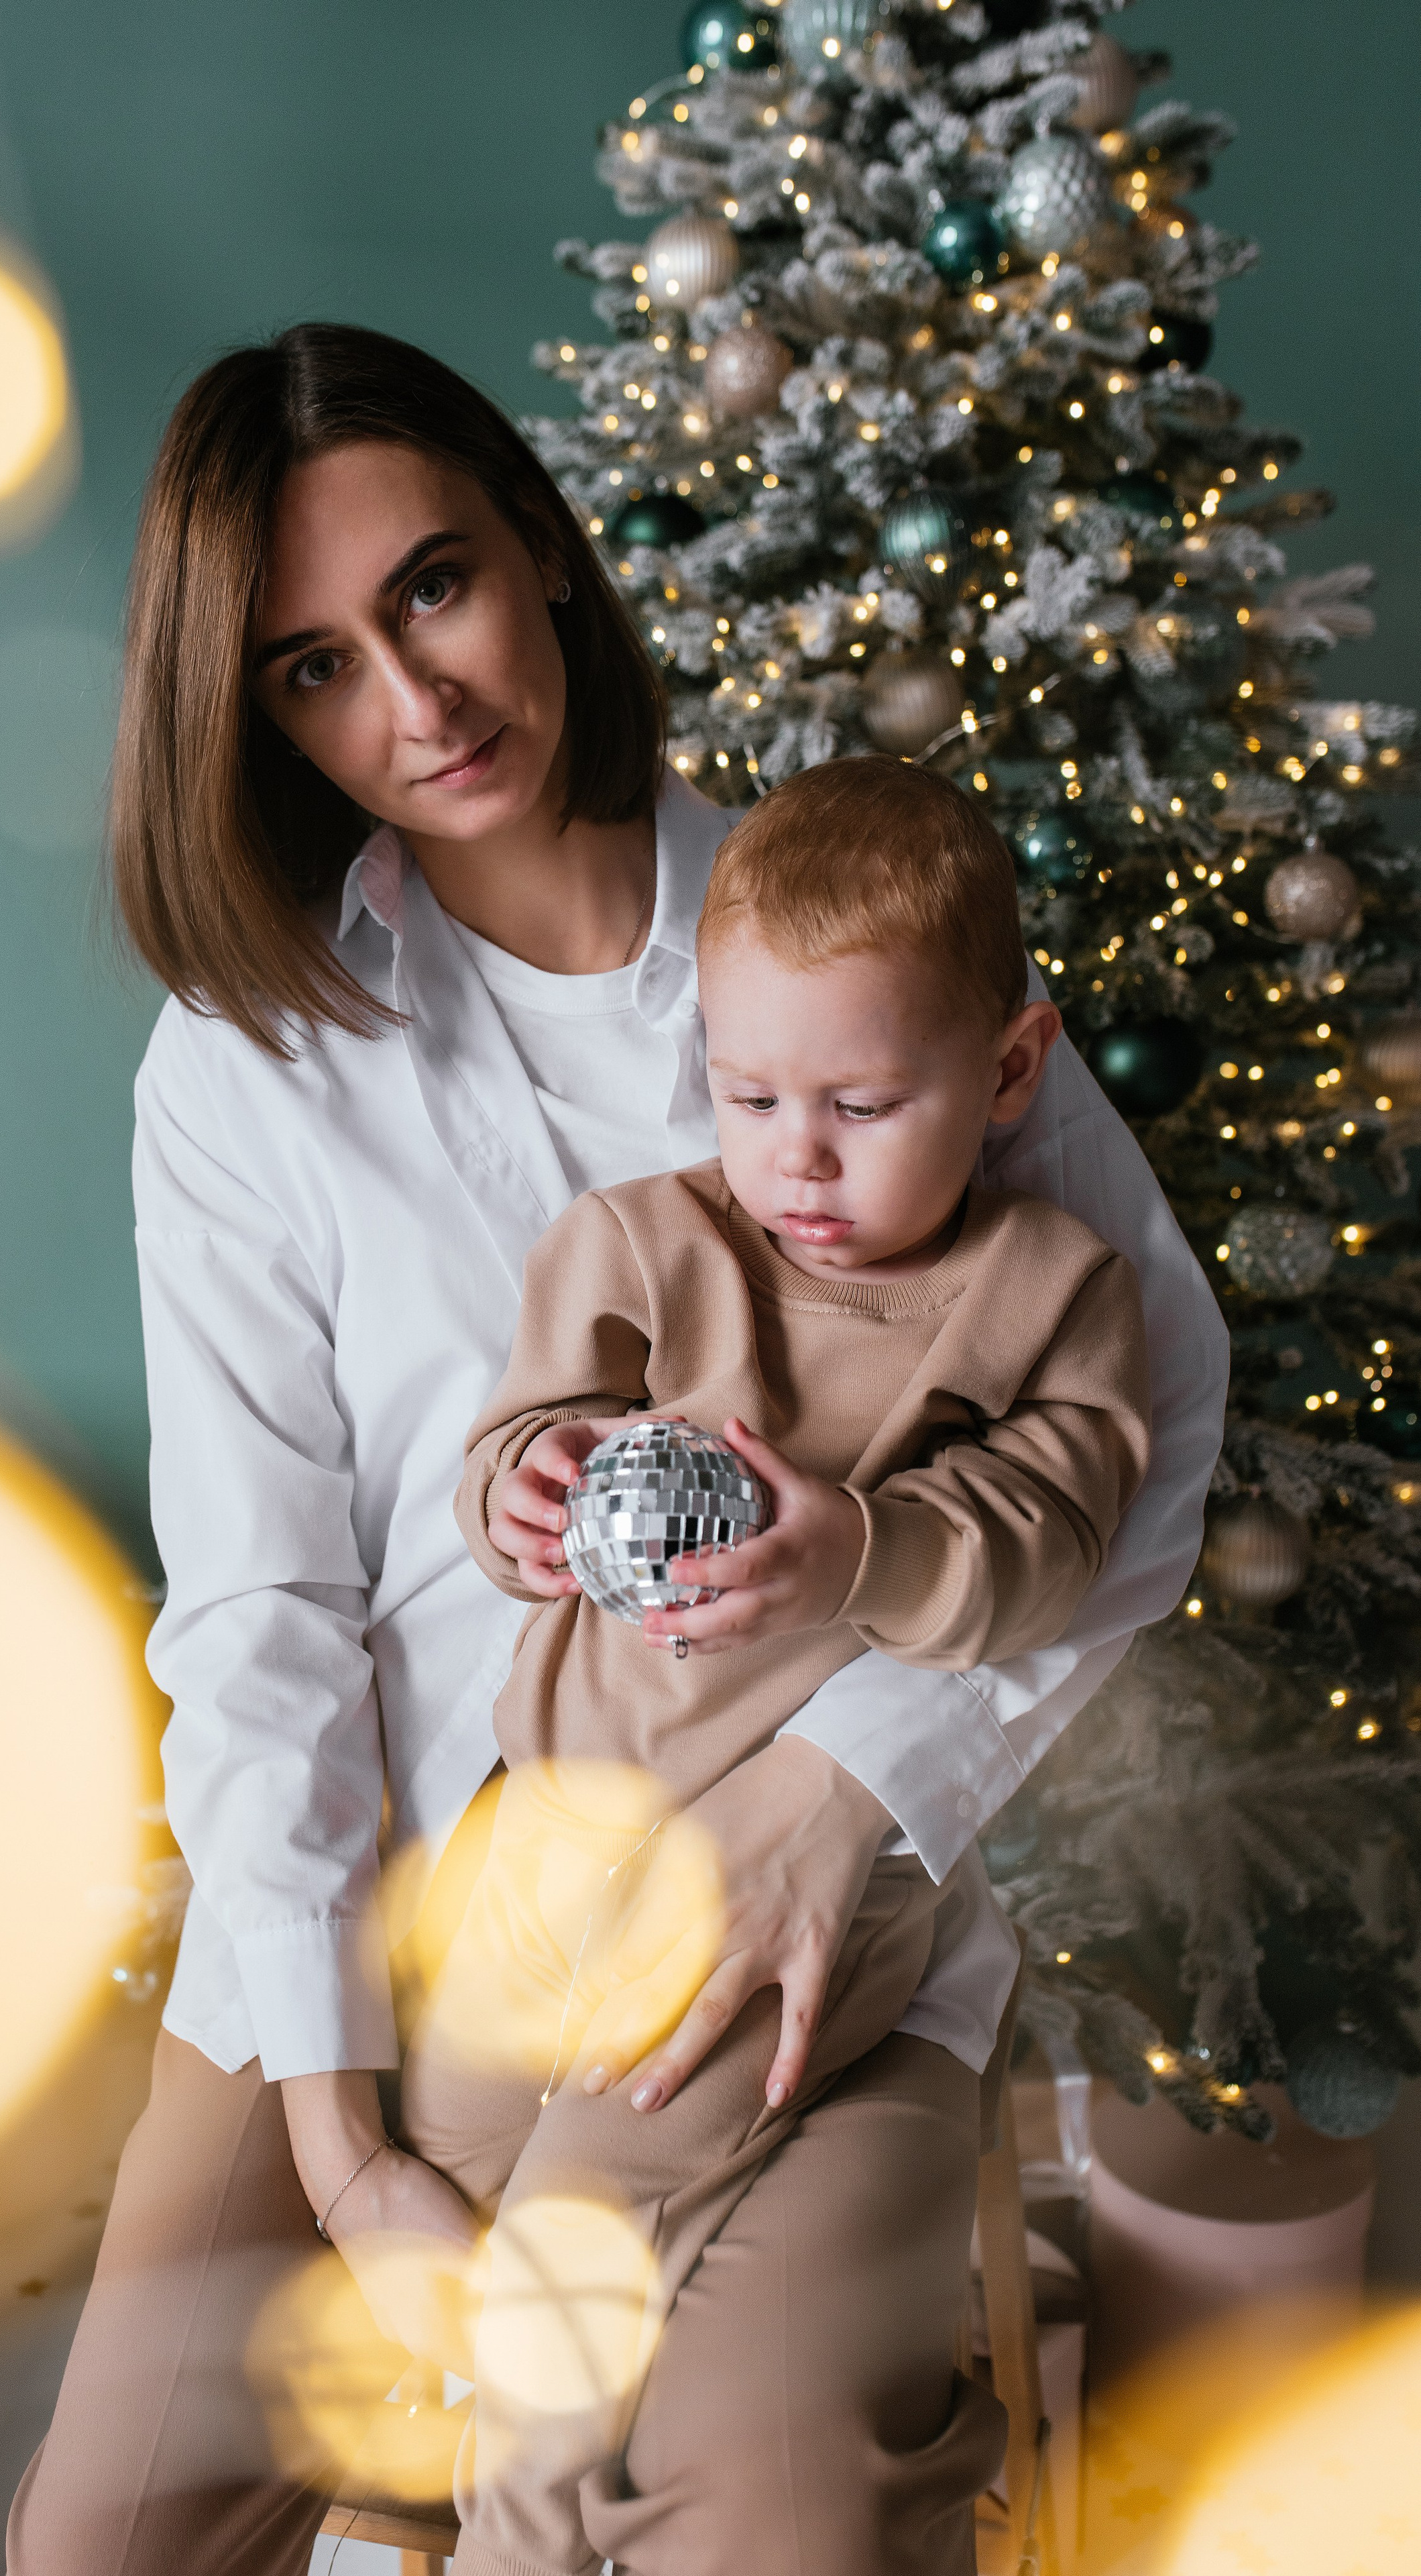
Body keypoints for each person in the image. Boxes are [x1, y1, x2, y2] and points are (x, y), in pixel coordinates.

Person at [7, 321, 1229, 2576]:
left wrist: (845, 1789)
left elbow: (1144, 1416)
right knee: (97, 2546)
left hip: (804, 1938)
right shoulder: (247, 1067)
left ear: (546, 558)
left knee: (753, 2510)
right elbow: (266, 1611)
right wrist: (344, 2137)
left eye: (437, 588)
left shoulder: (837, 952)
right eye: (312, 669)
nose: (416, 702)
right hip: (383, 1932)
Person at [404, 755, 1151, 2573]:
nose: (797, 1157)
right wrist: (530, 1488)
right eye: (750, 1094)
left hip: (791, 1896)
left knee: (582, 2239)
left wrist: (858, 1549)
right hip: (552, 1845)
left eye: (864, 1102)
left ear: (1008, 1072)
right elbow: (518, 1441)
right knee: (459, 2140)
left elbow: (1056, 1540)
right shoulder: (649, 1247)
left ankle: (521, 2538)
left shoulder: (1042, 1294)